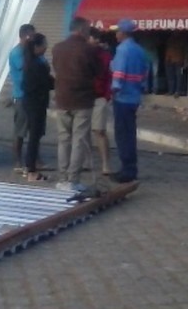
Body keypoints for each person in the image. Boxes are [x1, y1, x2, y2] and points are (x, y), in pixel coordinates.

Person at [51, 17, 101, 191]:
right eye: (87, 28)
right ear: (81, 30)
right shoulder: (89, 50)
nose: (89, 32)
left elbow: (57, 69)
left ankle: (62, 178)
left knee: (63, 139)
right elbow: (97, 72)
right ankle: (73, 179)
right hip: (82, 100)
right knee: (79, 139)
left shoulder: (57, 48)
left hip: (62, 98)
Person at [110, 18, 150, 183]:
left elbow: (118, 74)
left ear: (123, 33)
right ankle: (130, 167)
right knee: (130, 133)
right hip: (134, 97)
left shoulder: (122, 50)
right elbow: (145, 73)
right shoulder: (140, 50)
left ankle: (127, 170)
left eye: (117, 31)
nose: (116, 34)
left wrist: (114, 90)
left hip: (123, 98)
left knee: (122, 134)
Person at [22, 33, 54, 182]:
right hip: (36, 104)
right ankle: (31, 171)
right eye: (44, 44)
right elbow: (48, 83)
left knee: (35, 136)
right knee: (34, 136)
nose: (46, 47)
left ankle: (30, 166)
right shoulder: (36, 64)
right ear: (36, 46)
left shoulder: (33, 62)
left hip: (32, 103)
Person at [7, 23, 36, 173]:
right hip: (21, 96)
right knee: (20, 131)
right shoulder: (17, 53)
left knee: (34, 130)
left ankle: (34, 158)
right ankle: (17, 161)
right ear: (25, 36)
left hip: (32, 96)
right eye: (31, 35)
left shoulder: (30, 52)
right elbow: (24, 68)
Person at [89, 28, 114, 176]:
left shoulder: (105, 57)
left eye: (97, 38)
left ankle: (105, 164)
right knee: (82, 132)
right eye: (94, 38)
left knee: (100, 130)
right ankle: (86, 162)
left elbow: (110, 77)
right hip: (84, 96)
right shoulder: (82, 54)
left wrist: (106, 96)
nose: (96, 41)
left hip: (99, 97)